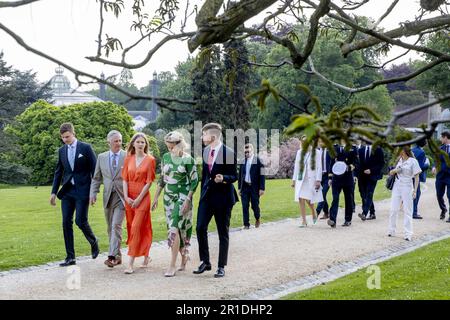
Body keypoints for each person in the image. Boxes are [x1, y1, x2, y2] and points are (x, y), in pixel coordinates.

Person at [50, 123, 99, 267]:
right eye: (63, 137)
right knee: (66, 222)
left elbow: (95, 171)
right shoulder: (61, 151)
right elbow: (58, 172)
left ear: (73, 133)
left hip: (83, 191)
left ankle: (93, 241)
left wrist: (93, 192)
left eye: (67, 137)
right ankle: (70, 257)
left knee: (80, 221)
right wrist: (53, 192)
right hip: (67, 192)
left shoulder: (86, 148)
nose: (65, 140)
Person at [193, 123, 238, 278]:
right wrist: (201, 196)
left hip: (223, 199)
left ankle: (221, 266)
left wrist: (224, 178)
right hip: (206, 197)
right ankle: (205, 261)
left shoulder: (229, 153)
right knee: (199, 228)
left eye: (203, 134)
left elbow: (235, 176)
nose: (201, 137)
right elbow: (205, 176)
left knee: (222, 232)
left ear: (213, 136)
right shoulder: (205, 151)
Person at [152, 131, 199, 277]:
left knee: (175, 227)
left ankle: (172, 265)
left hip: (183, 197)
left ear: (179, 144)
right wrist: (155, 198)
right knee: (177, 229)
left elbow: (194, 181)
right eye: (168, 146)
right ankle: (184, 255)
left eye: (171, 146)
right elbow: (162, 180)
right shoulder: (166, 158)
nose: (169, 149)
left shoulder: (188, 159)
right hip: (168, 198)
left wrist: (188, 200)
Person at [90, 130, 127, 268]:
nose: (118, 143)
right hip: (107, 197)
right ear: (109, 142)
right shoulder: (101, 157)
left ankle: (111, 256)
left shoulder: (127, 156)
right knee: (110, 227)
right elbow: (96, 178)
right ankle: (117, 257)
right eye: (115, 141)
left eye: (120, 140)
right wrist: (93, 193)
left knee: (116, 225)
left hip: (122, 197)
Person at [122, 133, 156, 274]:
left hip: (142, 198)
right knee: (133, 227)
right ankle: (146, 255)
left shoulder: (150, 160)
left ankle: (130, 263)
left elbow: (149, 182)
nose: (141, 144)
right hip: (129, 197)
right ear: (133, 144)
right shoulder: (128, 158)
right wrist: (126, 197)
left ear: (145, 145)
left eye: (143, 142)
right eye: (138, 142)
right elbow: (124, 179)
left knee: (136, 227)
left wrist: (138, 199)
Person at [388, 146, 421, 241]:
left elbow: (417, 177)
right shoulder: (399, 160)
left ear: (404, 151)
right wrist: (394, 171)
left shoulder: (413, 161)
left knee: (407, 210)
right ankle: (391, 230)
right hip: (397, 186)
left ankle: (408, 233)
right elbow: (391, 172)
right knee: (393, 209)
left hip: (407, 186)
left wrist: (415, 190)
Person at [291, 137, 323, 227]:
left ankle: (313, 211)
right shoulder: (299, 152)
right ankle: (304, 221)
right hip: (301, 179)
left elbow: (319, 167)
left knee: (309, 199)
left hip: (311, 179)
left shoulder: (316, 152)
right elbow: (296, 166)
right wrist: (294, 180)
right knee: (300, 198)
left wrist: (318, 180)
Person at [328, 142, 359, 228]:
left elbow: (356, 163)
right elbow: (331, 162)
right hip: (336, 178)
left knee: (348, 199)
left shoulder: (353, 148)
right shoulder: (334, 147)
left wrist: (348, 167)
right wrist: (330, 177)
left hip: (347, 177)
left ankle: (348, 220)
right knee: (335, 198)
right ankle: (332, 220)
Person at [238, 143, 265, 229]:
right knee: (245, 205)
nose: (246, 153)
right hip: (245, 187)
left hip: (254, 187)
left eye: (248, 151)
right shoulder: (243, 161)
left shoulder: (258, 161)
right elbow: (240, 176)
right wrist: (239, 188)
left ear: (252, 151)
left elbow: (262, 175)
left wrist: (262, 188)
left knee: (254, 205)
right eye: (245, 152)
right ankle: (246, 224)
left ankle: (257, 218)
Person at [356, 143, 385, 221]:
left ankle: (364, 213)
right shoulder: (361, 150)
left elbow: (381, 163)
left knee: (369, 193)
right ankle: (372, 213)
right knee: (364, 195)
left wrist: (371, 170)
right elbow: (358, 164)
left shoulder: (378, 150)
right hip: (362, 176)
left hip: (373, 176)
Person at [432, 131, 450, 222]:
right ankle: (443, 209)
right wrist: (434, 167)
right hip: (440, 176)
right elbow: (436, 160)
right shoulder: (439, 149)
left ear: (446, 137)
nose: (440, 139)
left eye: (441, 137)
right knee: (439, 195)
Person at [412, 139, 429, 219]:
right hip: (415, 175)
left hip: (408, 174)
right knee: (417, 193)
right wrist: (427, 165)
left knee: (412, 192)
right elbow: (421, 167)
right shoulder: (422, 152)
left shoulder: (412, 149)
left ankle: (411, 210)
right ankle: (414, 212)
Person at [316, 140, 331, 220]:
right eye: (320, 142)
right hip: (319, 177)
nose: (321, 143)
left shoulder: (330, 151)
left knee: (322, 194)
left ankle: (317, 212)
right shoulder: (317, 152)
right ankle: (326, 212)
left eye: (322, 141)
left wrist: (331, 177)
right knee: (322, 195)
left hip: (327, 176)